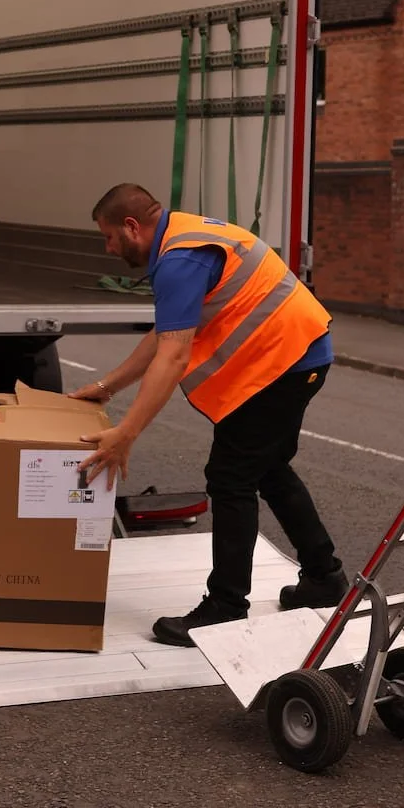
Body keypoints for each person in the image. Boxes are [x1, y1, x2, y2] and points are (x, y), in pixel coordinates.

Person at [73, 184, 348, 644]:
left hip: (284, 363)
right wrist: (106, 389)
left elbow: (173, 358)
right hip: (298, 355)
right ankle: (324, 577)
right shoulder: (184, 236)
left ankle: (225, 605)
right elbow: (167, 333)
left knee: (231, 477)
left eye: (109, 237)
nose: (109, 248)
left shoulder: (180, 260)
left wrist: (127, 433)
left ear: (132, 226)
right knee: (269, 468)